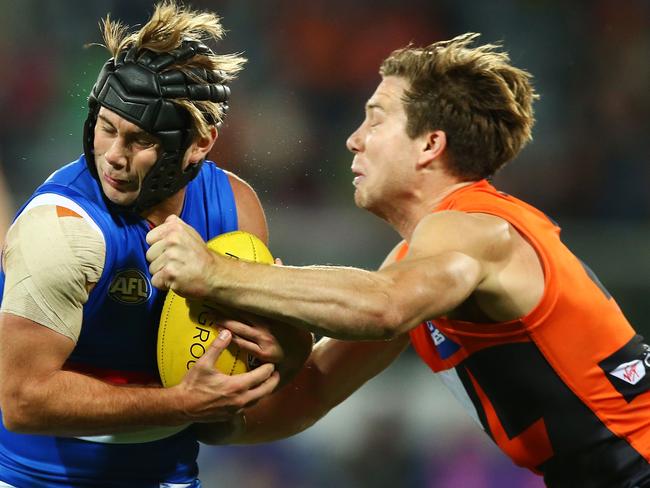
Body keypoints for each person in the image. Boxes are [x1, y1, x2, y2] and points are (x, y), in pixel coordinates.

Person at [147, 33, 650, 487]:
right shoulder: (423, 261)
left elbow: (383, 305)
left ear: (431, 144)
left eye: (376, 118)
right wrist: (211, 410)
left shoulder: (477, 227)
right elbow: (314, 389)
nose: (354, 138)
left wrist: (216, 273)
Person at [0, 2, 311, 487]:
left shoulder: (236, 210)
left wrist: (285, 350)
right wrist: (181, 404)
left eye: (140, 139)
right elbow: (21, 399)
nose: (114, 158)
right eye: (106, 129)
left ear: (201, 143)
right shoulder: (61, 229)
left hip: (172, 475)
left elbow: (230, 402)